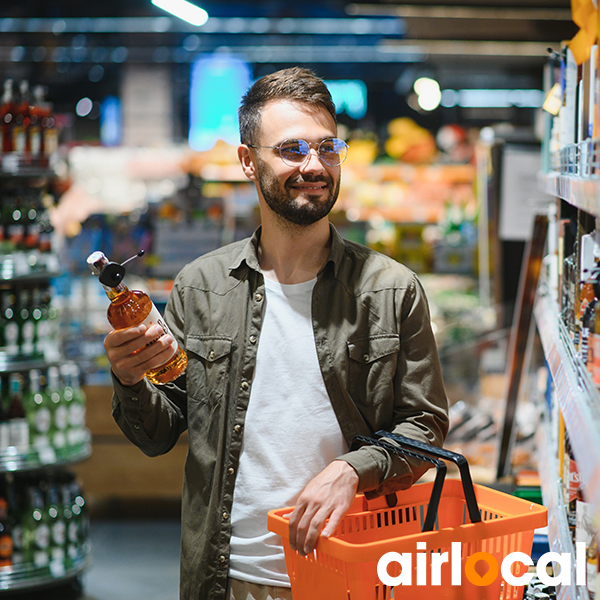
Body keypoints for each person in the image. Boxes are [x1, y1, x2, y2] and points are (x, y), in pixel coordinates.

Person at [103, 66, 448, 600]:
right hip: (228, 578)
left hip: (352, 575)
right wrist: (130, 381)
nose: (314, 165)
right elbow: (158, 433)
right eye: (291, 150)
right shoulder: (202, 286)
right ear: (248, 161)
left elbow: (425, 429)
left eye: (327, 148)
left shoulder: (391, 291)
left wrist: (354, 470)